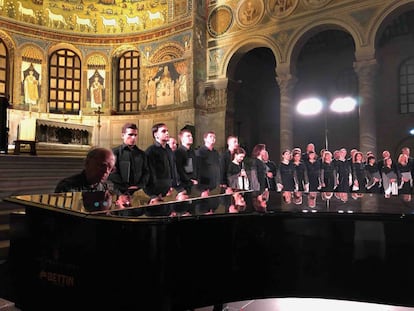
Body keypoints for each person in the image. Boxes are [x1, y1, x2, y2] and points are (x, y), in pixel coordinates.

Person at [145, 123, 185, 202]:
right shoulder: (151, 151)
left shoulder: (169, 150)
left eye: (167, 131)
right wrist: (153, 195)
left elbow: (173, 170)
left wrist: (178, 188)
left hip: (169, 191)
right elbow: (148, 175)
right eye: (163, 131)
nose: (167, 133)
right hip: (156, 194)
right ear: (156, 134)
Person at [109, 123, 149, 195]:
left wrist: (139, 185)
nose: (133, 137)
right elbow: (112, 174)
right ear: (123, 135)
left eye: (135, 135)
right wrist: (125, 187)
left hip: (138, 191)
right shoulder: (115, 152)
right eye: (130, 134)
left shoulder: (142, 154)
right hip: (119, 191)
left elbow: (146, 172)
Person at [196, 131, 221, 196]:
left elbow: (217, 167)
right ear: (205, 139)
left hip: (215, 185)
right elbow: (199, 169)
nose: (213, 138)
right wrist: (203, 188)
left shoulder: (216, 153)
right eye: (210, 137)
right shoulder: (200, 152)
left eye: (214, 137)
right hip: (204, 186)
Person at [175, 128, 198, 194]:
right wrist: (189, 180)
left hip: (193, 184)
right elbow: (179, 170)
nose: (191, 138)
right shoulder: (178, 152)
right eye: (188, 136)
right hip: (183, 185)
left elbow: (192, 167)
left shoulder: (192, 152)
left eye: (191, 136)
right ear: (181, 138)